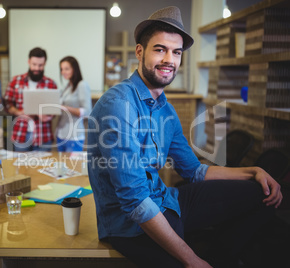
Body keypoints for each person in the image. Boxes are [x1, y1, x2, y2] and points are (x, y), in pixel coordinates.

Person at [87, 6, 282, 268]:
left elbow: (195, 171)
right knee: (185, 261)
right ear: (139, 51)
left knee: (262, 193)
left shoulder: (166, 110)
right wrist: (191, 260)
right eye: (160, 49)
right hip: (130, 226)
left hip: (167, 200)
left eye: (176, 52)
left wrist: (253, 171)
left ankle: (217, 260)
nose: (169, 59)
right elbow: (135, 200)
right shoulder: (118, 104)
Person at [4, 47, 57, 151]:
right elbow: (7, 104)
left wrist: (48, 116)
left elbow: (54, 109)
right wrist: (19, 112)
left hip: (43, 135)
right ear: (29, 62)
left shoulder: (51, 83)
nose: (37, 68)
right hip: (20, 134)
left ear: (45, 63)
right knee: (21, 166)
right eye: (34, 64)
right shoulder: (16, 81)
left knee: (43, 166)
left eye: (40, 65)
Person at [56, 56, 92, 152]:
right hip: (61, 135)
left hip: (74, 137)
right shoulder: (67, 86)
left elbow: (87, 111)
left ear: (74, 69)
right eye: (62, 69)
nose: (63, 72)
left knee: (73, 167)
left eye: (67, 69)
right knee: (61, 167)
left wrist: (64, 107)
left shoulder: (82, 85)